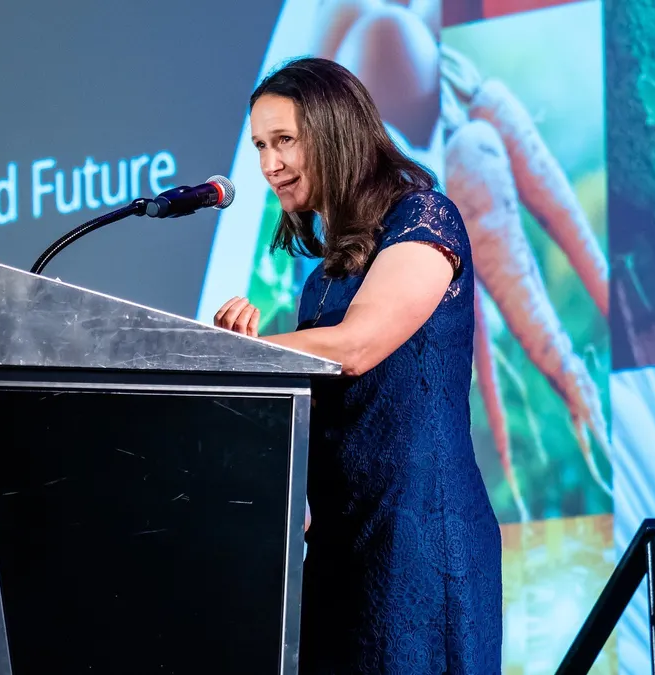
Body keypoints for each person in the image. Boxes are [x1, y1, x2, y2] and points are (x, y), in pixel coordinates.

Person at [213, 57, 502, 673]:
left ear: (336, 130)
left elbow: (358, 345)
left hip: (420, 538)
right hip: (343, 546)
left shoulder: (425, 219)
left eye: (284, 141)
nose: (268, 166)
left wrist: (243, 356)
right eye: (261, 146)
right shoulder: (320, 281)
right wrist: (241, 370)